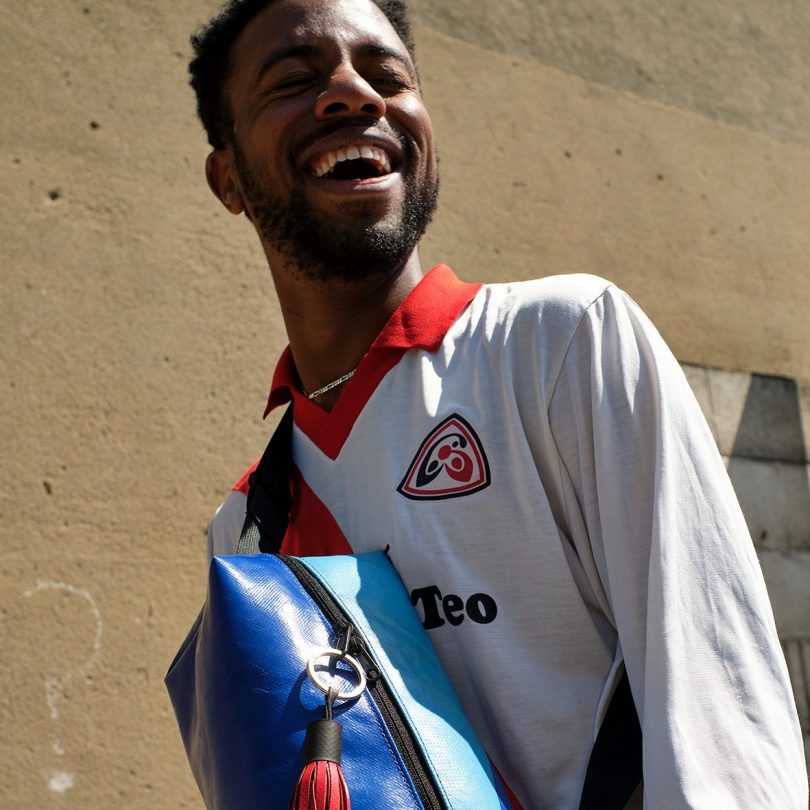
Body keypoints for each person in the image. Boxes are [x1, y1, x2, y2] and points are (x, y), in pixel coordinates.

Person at [189, 0, 808, 806]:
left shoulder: (561, 345)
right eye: (294, 80)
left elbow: (718, 711)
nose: (354, 95)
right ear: (228, 176)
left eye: (387, 76)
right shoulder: (246, 532)